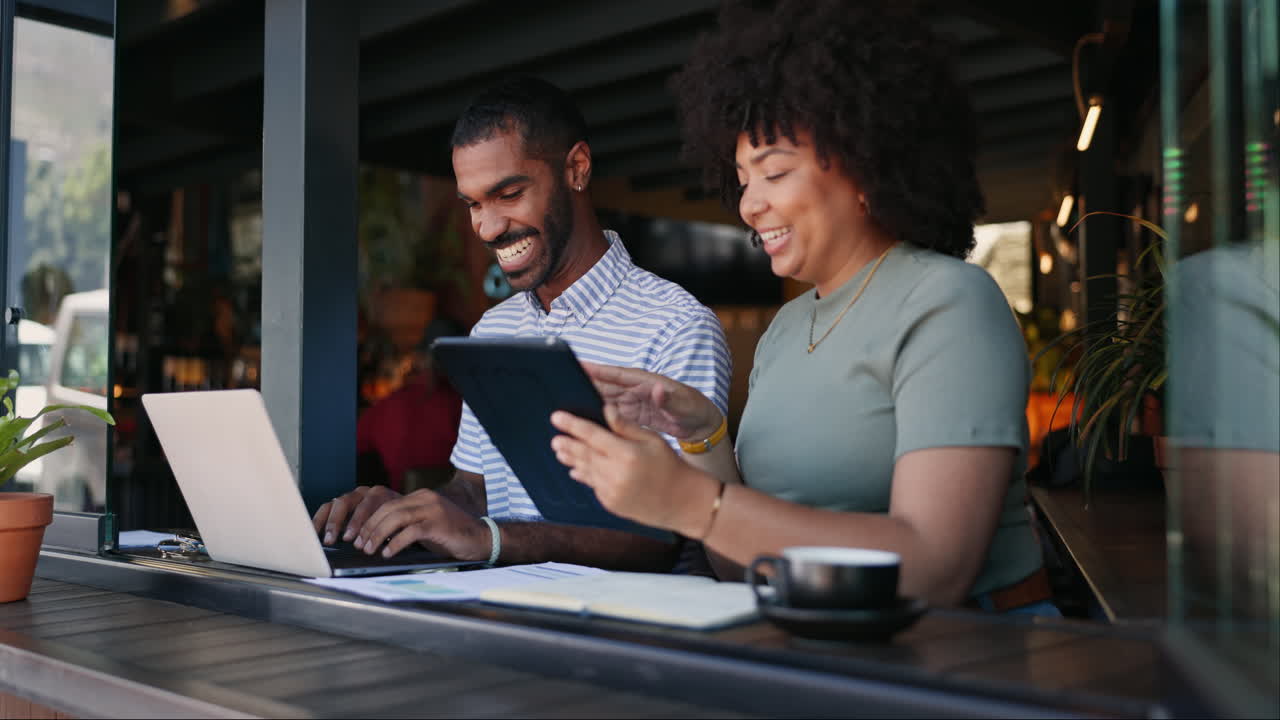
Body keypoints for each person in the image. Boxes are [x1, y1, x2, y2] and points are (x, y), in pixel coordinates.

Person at [550, 0, 1056, 613]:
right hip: (819, 649)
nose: (749, 206)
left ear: (866, 162)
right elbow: (741, 566)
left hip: (964, 655)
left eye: (774, 173)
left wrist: (688, 502)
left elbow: (934, 569)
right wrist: (704, 437)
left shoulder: (950, 302)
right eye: (743, 180)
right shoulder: (786, 329)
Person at [313, 77, 732, 571]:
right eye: (474, 204)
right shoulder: (492, 330)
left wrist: (492, 540)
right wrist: (401, 513)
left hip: (622, 617)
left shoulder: (677, 325)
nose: (488, 227)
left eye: (509, 194)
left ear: (576, 168)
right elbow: (475, 490)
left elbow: (670, 534)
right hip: (500, 608)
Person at [355, 318, 464, 493]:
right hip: (457, 505)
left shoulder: (389, 405)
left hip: (400, 502)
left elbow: (356, 445)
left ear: (420, 357)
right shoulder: (466, 406)